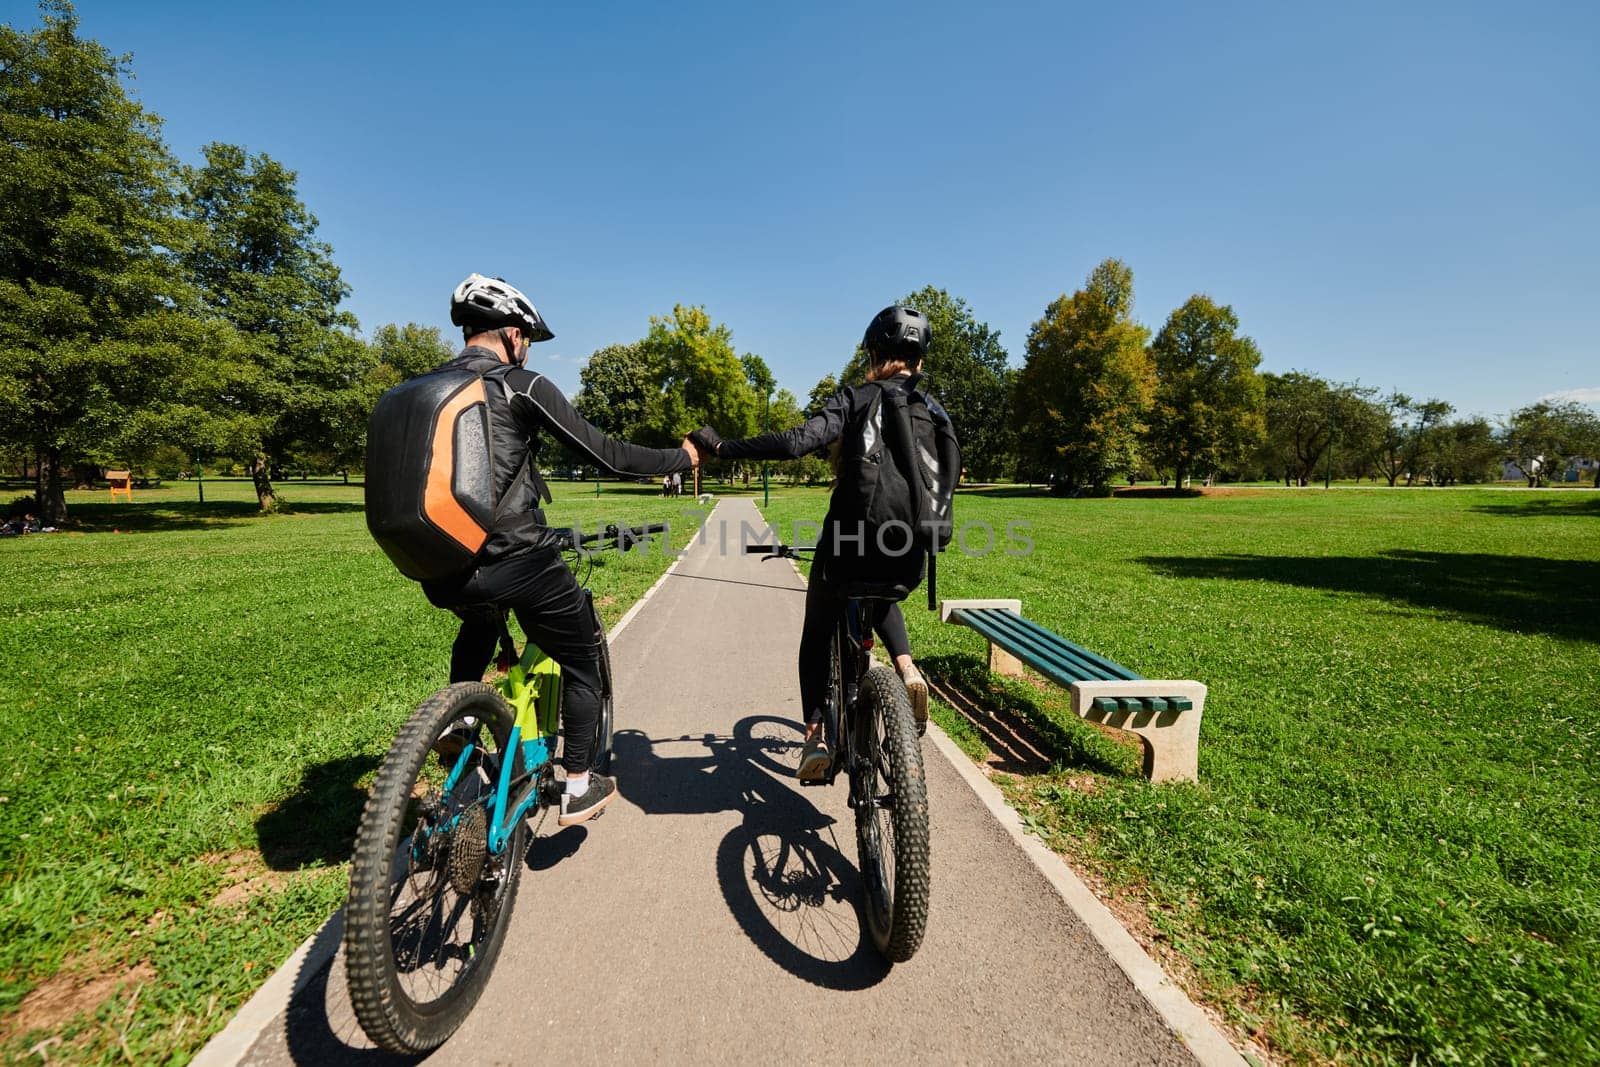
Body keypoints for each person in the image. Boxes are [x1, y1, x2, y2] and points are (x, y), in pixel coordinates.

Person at [403, 275, 700, 825]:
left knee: (478, 622)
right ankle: (579, 786)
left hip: (440, 567)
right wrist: (680, 458)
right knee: (584, 657)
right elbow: (608, 456)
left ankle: (458, 723)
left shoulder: (427, 389)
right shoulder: (521, 385)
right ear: (514, 334)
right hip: (517, 557)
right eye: (529, 340)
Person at [690, 306, 959, 780]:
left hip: (847, 550)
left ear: (875, 353)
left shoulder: (856, 398)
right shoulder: (934, 411)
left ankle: (814, 736)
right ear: (918, 360)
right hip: (912, 554)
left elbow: (797, 442)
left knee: (817, 632)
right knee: (881, 594)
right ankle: (907, 669)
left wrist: (721, 448)